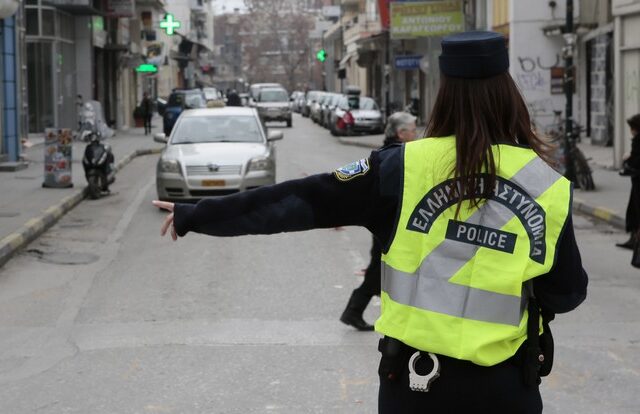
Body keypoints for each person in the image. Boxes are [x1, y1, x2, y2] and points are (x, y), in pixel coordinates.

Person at [153, 31, 587, 413]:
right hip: (506, 390)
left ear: (443, 93)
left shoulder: (400, 168)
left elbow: (300, 200)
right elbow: (566, 293)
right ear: (508, 93)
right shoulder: (547, 185)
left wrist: (198, 214)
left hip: (416, 386)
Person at [340, 111, 418, 331]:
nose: (416, 134)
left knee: (383, 267)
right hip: (390, 219)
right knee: (379, 269)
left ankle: (356, 311)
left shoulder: (392, 151)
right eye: (413, 130)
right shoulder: (397, 154)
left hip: (390, 217)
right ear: (401, 134)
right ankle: (354, 311)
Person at [617, 114, 640, 249]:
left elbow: (636, 162)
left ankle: (635, 241)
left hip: (638, 182)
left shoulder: (637, 140)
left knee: (635, 211)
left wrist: (627, 158)